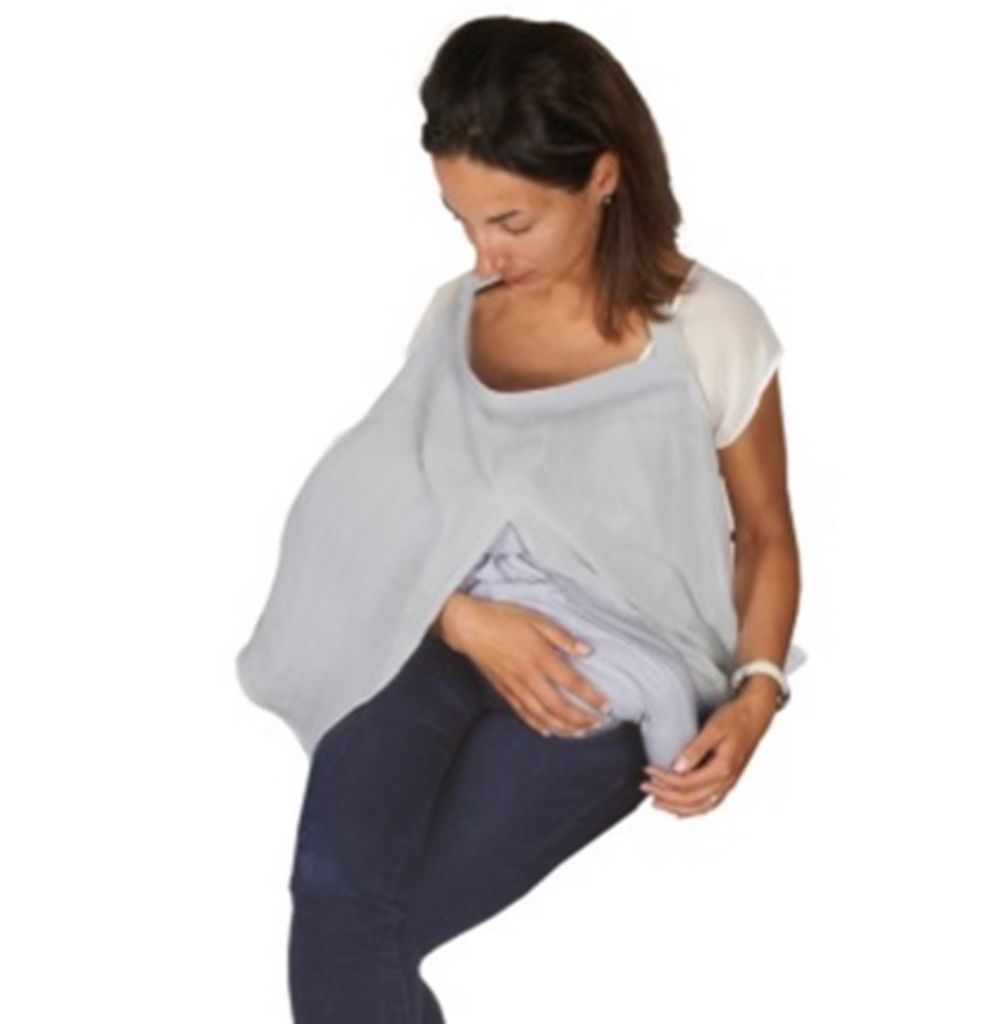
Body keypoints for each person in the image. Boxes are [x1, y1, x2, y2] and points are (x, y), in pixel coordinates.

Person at [275, 15, 804, 1022]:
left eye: (511, 222)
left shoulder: (710, 327)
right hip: (439, 632)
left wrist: (756, 695)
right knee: (335, 899)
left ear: (602, 176)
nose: (483, 251)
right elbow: (372, 505)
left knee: (374, 924)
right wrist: (464, 619)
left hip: (616, 669)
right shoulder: (455, 315)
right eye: (461, 219)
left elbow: (767, 534)